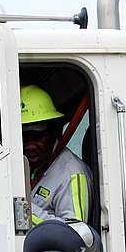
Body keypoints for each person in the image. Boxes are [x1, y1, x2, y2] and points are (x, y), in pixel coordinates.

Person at [21, 84, 93, 224]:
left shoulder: (72, 174)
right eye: (23, 138)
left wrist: (22, 211)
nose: (29, 146)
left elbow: (74, 234)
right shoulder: (30, 166)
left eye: (37, 137)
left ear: (53, 132)